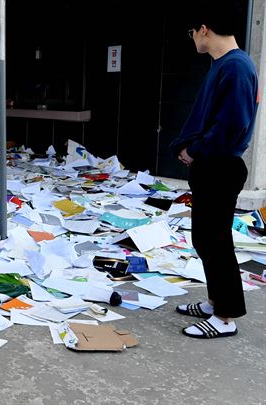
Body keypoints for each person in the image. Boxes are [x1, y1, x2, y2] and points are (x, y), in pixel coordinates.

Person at [169, 0, 259, 339]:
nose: (192, 38)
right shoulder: (224, 65)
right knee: (205, 239)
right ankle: (214, 300)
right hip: (213, 165)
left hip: (220, 167)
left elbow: (232, 127)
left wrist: (195, 150)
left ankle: (225, 317)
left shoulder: (236, 67)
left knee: (216, 242)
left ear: (204, 28)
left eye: (192, 31)